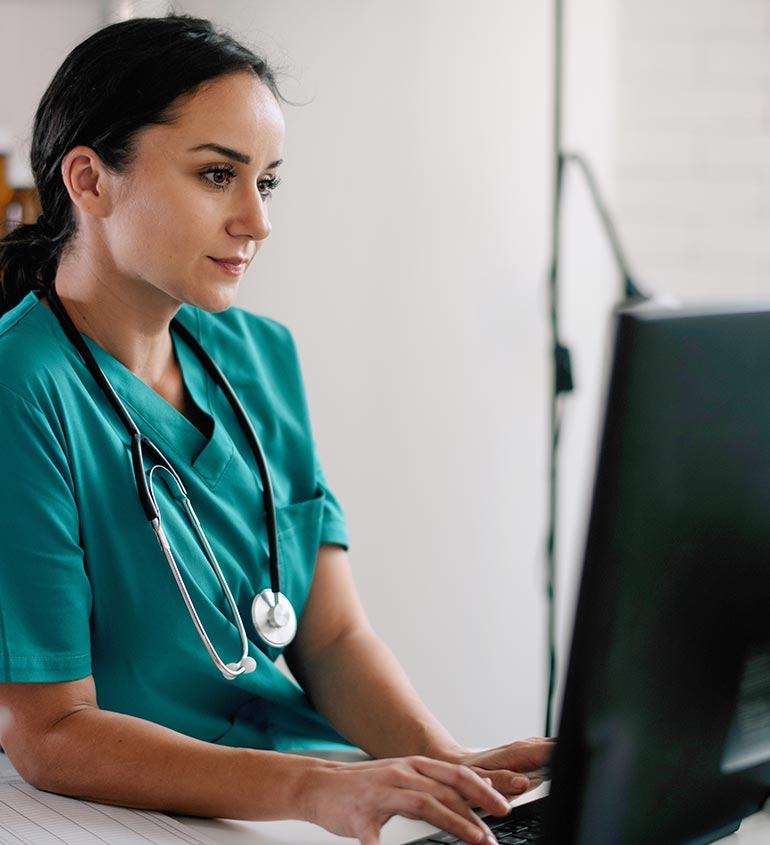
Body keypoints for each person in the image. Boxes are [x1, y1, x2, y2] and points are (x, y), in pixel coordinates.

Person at [0, 14, 551, 845]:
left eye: (268, 182)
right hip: (127, 810)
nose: (257, 222)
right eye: (218, 175)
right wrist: (319, 788)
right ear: (90, 179)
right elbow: (49, 731)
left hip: (304, 786)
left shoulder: (260, 355)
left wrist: (456, 774)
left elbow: (328, 635)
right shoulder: (22, 386)